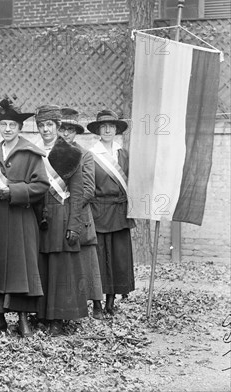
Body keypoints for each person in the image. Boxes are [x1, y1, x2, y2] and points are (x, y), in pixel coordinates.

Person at [0, 98, 49, 337]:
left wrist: (15, 191)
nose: (8, 129)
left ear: (20, 128)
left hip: (22, 218)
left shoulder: (31, 154)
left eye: (12, 125)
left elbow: (42, 185)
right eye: (3, 125)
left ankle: (22, 319)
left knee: (22, 268)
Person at [34, 105, 88, 336]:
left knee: (62, 269)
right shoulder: (34, 152)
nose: (46, 129)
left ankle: (59, 317)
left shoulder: (71, 153)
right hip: (40, 216)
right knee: (43, 266)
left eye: (50, 125)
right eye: (42, 126)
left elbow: (77, 192)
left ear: (57, 127)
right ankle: (43, 315)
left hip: (63, 213)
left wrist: (74, 224)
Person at [87, 110, 136, 315]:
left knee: (118, 257)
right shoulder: (90, 154)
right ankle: (97, 304)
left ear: (116, 130)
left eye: (111, 126)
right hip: (98, 211)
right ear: (98, 130)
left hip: (119, 211)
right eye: (103, 126)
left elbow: (132, 181)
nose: (107, 129)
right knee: (98, 258)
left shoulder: (123, 154)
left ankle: (111, 302)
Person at [58, 108, 104, 319]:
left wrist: (70, 207)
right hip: (57, 213)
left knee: (87, 259)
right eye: (62, 129)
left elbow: (88, 189)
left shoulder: (85, 155)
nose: (66, 134)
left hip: (79, 213)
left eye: (70, 130)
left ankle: (96, 304)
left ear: (76, 132)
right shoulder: (51, 152)